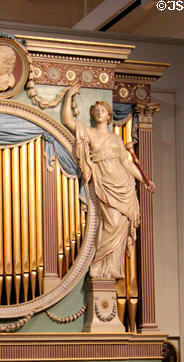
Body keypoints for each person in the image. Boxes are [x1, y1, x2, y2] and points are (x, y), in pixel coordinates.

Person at [61, 84, 154, 280]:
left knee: (119, 224)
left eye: (102, 111)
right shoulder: (90, 133)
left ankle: (112, 269)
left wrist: (144, 181)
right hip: (104, 182)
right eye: (96, 111)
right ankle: (100, 264)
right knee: (109, 223)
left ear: (109, 115)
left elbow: (127, 164)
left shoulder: (116, 140)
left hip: (122, 184)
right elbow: (67, 120)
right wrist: (69, 95)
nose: (99, 113)